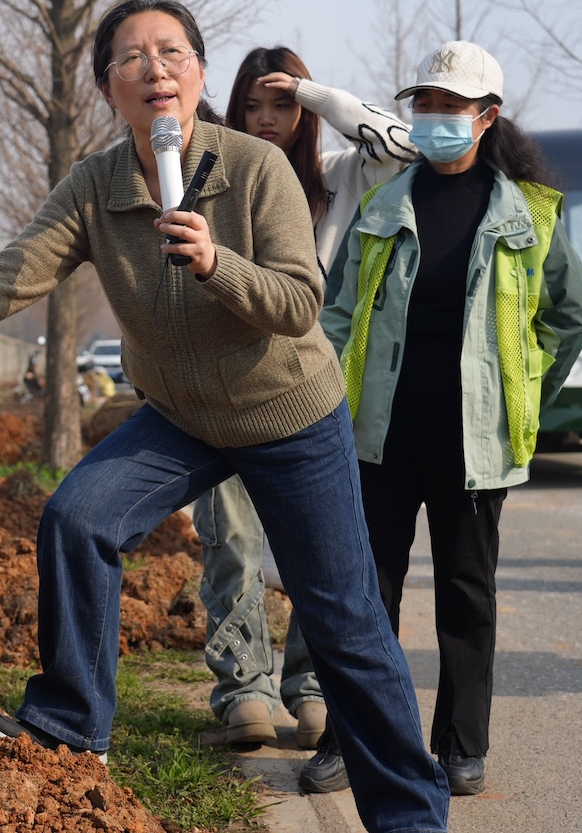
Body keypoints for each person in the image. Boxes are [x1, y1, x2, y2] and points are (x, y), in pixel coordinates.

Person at [0, 0, 451, 833]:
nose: (155, 69)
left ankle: (409, 816)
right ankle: (75, 727)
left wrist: (218, 263)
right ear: (108, 87)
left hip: (287, 413)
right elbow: (14, 272)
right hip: (181, 413)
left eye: (172, 52)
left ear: (201, 74)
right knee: (78, 518)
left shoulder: (256, 168)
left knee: (345, 621)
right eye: (132, 57)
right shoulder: (96, 188)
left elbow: (298, 302)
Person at [315, 40, 582, 796]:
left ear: (486, 116)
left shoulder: (527, 214)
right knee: (365, 593)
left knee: (466, 596)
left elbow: (568, 319)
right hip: (379, 437)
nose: (434, 118)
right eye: (425, 105)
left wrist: (523, 400)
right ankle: (355, 739)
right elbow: (337, 315)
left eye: (450, 107)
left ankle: (462, 745)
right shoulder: (383, 203)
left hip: (473, 441)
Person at [192, 47, 416, 752]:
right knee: (231, 536)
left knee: (322, 547)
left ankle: (312, 686)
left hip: (315, 388)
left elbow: (403, 146)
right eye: (252, 105)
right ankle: (243, 688)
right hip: (225, 380)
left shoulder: (338, 176)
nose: (265, 120)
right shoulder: (216, 179)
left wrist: (316, 93)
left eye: (280, 105)